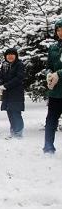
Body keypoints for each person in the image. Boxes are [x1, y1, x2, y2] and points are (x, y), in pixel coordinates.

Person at [0, 48, 25, 139]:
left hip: (16, 93)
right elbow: (1, 77)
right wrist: (0, 84)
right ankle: (13, 131)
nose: (10, 56)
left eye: (12, 54)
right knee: (9, 112)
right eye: (8, 54)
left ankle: (18, 132)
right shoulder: (4, 65)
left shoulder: (19, 65)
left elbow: (19, 78)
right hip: (7, 94)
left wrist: (6, 85)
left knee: (16, 112)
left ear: (16, 56)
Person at [43, 19, 62, 153]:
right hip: (56, 91)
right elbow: (49, 66)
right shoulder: (53, 47)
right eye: (58, 30)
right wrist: (49, 74)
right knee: (51, 119)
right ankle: (48, 147)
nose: (60, 32)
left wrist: (59, 74)